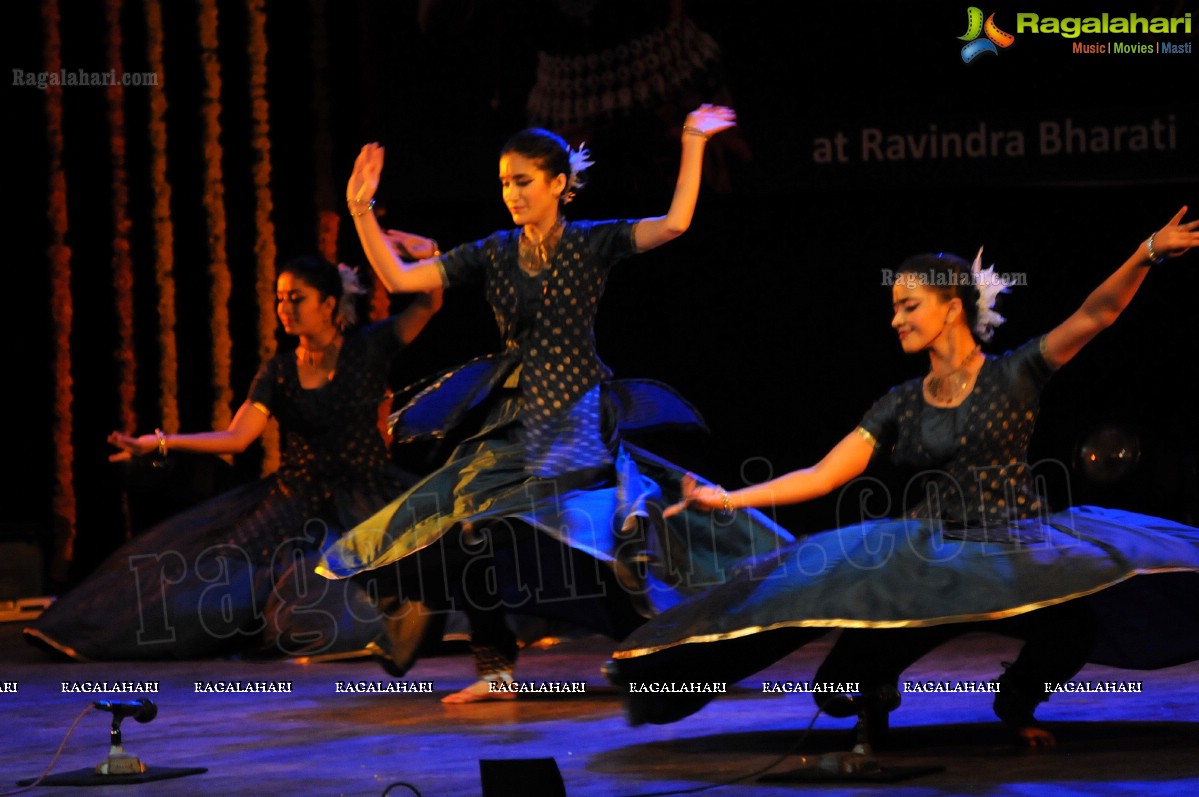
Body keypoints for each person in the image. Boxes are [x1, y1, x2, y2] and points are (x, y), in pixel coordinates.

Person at [604, 207, 1199, 747]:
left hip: (1016, 552)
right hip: (932, 566)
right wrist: (729, 498)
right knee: (837, 691)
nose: (895, 320)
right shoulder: (900, 403)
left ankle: (1015, 703)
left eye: (908, 306)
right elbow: (823, 473)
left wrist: (1147, 251)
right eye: (894, 307)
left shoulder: (1017, 374)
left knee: (1072, 629)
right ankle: (820, 691)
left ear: (951, 307)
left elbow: (1097, 313)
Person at [317, 104, 792, 703]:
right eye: (504, 184)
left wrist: (692, 141)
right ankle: (495, 669)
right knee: (465, 528)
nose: (511, 194)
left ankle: (648, 656)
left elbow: (673, 224)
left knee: (599, 539)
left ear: (559, 184)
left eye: (523, 182)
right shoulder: (492, 252)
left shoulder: (591, 244)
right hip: (514, 420)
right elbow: (404, 280)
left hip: (578, 419)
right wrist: (361, 206)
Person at [25, 256, 442, 661]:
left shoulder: (369, 349)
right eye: (280, 298)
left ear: (329, 304)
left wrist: (427, 257)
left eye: (296, 298)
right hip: (295, 498)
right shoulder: (278, 372)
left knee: (434, 546)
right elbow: (237, 437)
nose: (285, 308)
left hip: (366, 492)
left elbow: (429, 302)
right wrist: (161, 442)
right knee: (216, 576)